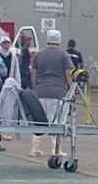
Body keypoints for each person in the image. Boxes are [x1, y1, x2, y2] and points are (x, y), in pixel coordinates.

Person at [30, 29, 73, 157]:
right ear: (59, 40)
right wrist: (72, 91)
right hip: (58, 92)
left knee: (40, 120)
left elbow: (33, 73)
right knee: (58, 121)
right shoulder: (64, 55)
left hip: (41, 91)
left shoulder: (38, 55)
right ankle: (56, 149)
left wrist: (34, 88)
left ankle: (35, 148)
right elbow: (68, 74)